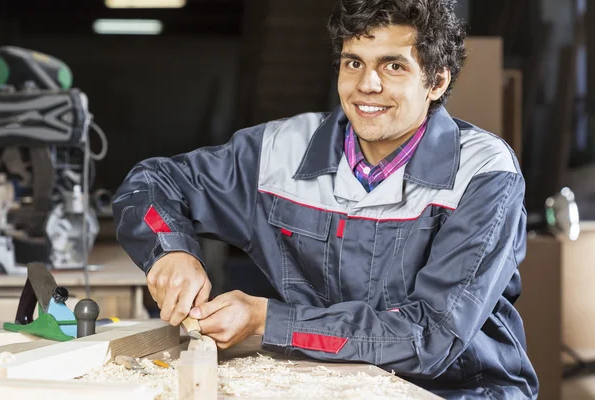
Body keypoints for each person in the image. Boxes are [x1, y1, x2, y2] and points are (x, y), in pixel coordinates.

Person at [112, 0, 538, 398]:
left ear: (436, 81)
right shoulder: (280, 150)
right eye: (354, 63)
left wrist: (265, 318)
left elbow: (430, 337)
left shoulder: (483, 172)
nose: (367, 85)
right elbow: (151, 183)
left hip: (460, 389)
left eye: (393, 66)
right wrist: (171, 252)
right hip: (325, 381)